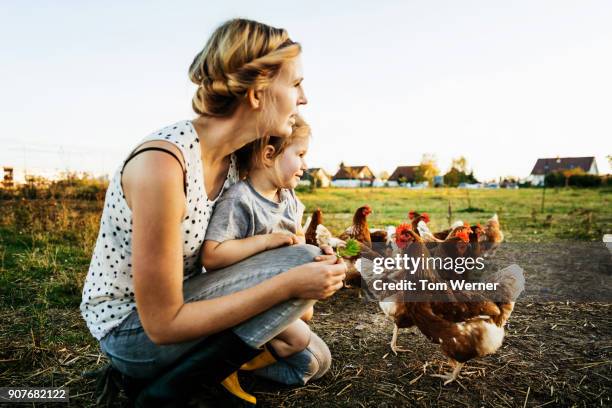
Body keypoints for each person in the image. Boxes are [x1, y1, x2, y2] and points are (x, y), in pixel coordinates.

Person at [79, 18, 347, 407]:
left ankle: (196, 375)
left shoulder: (235, 163)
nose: (303, 98)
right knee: (300, 265)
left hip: (186, 305)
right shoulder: (163, 164)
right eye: (295, 83)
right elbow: (162, 323)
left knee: (311, 361)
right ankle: (162, 394)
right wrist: (290, 285)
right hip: (133, 332)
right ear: (257, 92)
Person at [203, 115, 314, 364]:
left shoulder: (289, 198)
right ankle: (222, 368)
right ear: (268, 155)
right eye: (300, 154)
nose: (306, 164)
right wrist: (266, 241)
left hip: (272, 294)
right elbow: (212, 255)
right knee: (299, 340)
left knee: (314, 363)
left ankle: (245, 362)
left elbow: (299, 241)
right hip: (240, 298)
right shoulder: (240, 198)